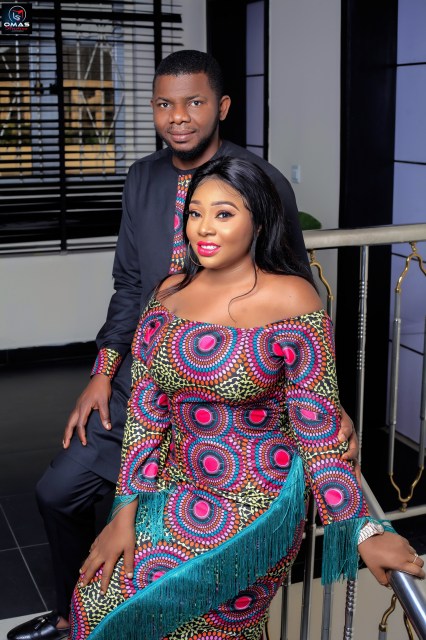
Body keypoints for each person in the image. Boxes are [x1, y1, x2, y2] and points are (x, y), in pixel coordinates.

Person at [7, 51, 358, 640]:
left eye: (194, 102)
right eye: (164, 104)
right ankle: (74, 616)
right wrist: (103, 371)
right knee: (57, 492)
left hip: (232, 406)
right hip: (147, 382)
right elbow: (128, 285)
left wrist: (327, 406)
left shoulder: (260, 179)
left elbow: (295, 298)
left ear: (221, 106)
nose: (178, 117)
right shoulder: (141, 177)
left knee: (183, 581)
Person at [68, 156, 424, 638]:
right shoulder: (169, 292)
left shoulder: (293, 299)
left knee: (203, 626)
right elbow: (146, 415)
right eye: (195, 213)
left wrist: (362, 531)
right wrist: (122, 514)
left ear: (258, 221)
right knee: (94, 600)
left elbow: (318, 432)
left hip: (255, 505)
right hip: (172, 487)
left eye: (224, 213)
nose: (204, 228)